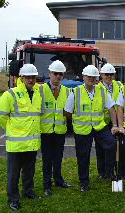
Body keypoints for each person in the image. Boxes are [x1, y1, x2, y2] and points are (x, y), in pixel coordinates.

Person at [0, 64, 42, 211]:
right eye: (28, 77)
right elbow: (0, 116)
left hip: (32, 143)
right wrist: (11, 129)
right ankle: (13, 199)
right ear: (21, 77)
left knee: (29, 171)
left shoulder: (37, 94)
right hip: (16, 144)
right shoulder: (11, 94)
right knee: (13, 174)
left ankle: (28, 192)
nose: (30, 79)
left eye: (33, 77)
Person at [64, 65, 118, 192]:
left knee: (111, 144)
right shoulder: (75, 92)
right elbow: (67, 112)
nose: (91, 79)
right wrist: (75, 123)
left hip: (99, 126)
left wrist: (115, 125)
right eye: (89, 76)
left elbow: (111, 108)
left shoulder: (102, 91)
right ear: (84, 77)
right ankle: (84, 182)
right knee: (83, 156)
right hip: (82, 129)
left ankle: (109, 172)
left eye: (94, 77)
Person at [39, 60, 72, 197]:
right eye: (55, 74)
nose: (58, 76)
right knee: (47, 159)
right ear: (50, 74)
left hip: (59, 131)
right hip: (46, 131)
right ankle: (47, 184)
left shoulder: (67, 91)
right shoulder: (40, 90)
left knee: (58, 157)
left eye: (61, 74)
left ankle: (58, 180)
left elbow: (69, 111)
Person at [96, 63, 123, 180]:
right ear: (101, 75)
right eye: (106, 74)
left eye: (111, 74)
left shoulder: (119, 85)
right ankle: (102, 172)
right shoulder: (97, 88)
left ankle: (114, 171)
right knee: (101, 148)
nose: (109, 76)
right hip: (103, 122)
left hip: (117, 121)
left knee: (117, 148)